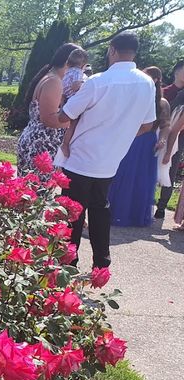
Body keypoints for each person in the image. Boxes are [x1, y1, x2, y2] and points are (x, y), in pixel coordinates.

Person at [56, 32, 156, 268]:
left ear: (112, 50)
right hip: (110, 159)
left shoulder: (98, 81)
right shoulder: (147, 83)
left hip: (80, 157)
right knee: (100, 209)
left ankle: (68, 261)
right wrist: (119, 133)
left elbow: (65, 115)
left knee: (73, 212)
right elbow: (148, 124)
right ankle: (102, 261)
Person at [107, 66, 169, 227]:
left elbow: (165, 126)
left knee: (141, 179)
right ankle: (112, 210)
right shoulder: (135, 96)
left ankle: (135, 215)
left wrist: (162, 140)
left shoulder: (162, 103)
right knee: (121, 175)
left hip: (146, 141)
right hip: (128, 137)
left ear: (156, 80)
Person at [16, 43, 84, 176]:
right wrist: (75, 120)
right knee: (36, 192)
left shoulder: (51, 78)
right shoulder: (54, 82)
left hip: (38, 144)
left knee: (30, 192)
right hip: (40, 147)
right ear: (67, 62)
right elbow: (49, 119)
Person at [155, 60, 184, 219]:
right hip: (158, 133)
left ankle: (162, 205)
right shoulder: (164, 92)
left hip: (180, 136)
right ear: (177, 71)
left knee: (171, 169)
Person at [59, 48, 89, 158]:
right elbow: (75, 86)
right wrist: (84, 83)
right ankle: (65, 144)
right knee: (73, 124)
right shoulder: (78, 73)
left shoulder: (66, 72)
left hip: (65, 99)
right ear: (83, 64)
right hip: (73, 100)